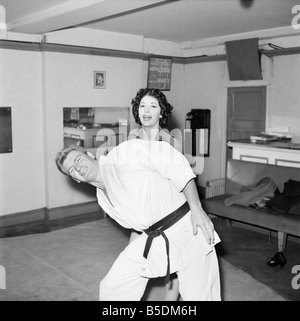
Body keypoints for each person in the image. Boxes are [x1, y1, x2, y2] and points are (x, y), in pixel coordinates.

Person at [55, 141, 221, 301]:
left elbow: (174, 162)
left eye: (78, 159)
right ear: (75, 179)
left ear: (90, 154)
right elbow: (137, 226)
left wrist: (196, 208)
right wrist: (132, 257)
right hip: (153, 237)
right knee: (113, 286)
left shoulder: (124, 154)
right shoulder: (102, 199)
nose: (78, 168)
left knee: (199, 297)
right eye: (72, 170)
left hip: (188, 227)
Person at [129, 88, 181, 300]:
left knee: (173, 264)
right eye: (142, 105)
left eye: (153, 106)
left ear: (161, 112)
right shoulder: (132, 138)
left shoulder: (170, 142)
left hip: (167, 210)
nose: (147, 110)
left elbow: (179, 180)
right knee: (134, 261)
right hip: (140, 209)